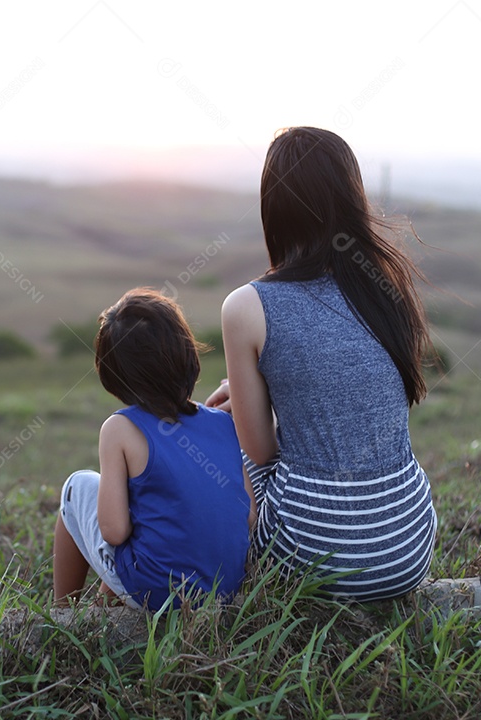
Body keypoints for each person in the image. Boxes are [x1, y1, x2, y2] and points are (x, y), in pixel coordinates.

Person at [205, 126, 437, 601]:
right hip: (409, 546)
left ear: (273, 208)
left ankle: (208, 575)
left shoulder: (246, 306)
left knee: (223, 438)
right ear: (351, 198)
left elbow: (261, 451)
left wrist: (245, 412)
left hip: (309, 555)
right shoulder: (386, 288)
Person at [53, 288, 257, 612]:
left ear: (113, 374)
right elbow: (249, 515)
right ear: (187, 354)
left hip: (157, 594)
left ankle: (63, 612)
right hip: (224, 590)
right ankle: (102, 609)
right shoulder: (223, 422)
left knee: (75, 486)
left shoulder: (120, 428)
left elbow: (114, 531)